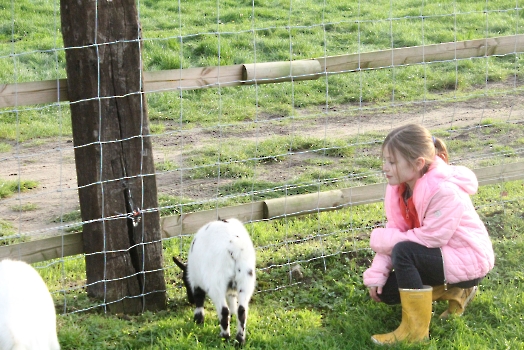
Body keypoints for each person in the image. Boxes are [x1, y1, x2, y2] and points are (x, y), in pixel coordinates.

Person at [363, 124, 495, 345]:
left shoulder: (444, 190)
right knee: (387, 290)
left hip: (468, 258)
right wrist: (378, 271)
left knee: (404, 251)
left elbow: (431, 239)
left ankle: (415, 332)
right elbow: (397, 231)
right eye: (384, 160)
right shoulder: (402, 189)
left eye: (392, 162)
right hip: (440, 257)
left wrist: (384, 240)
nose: (385, 167)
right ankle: (455, 291)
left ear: (418, 164)